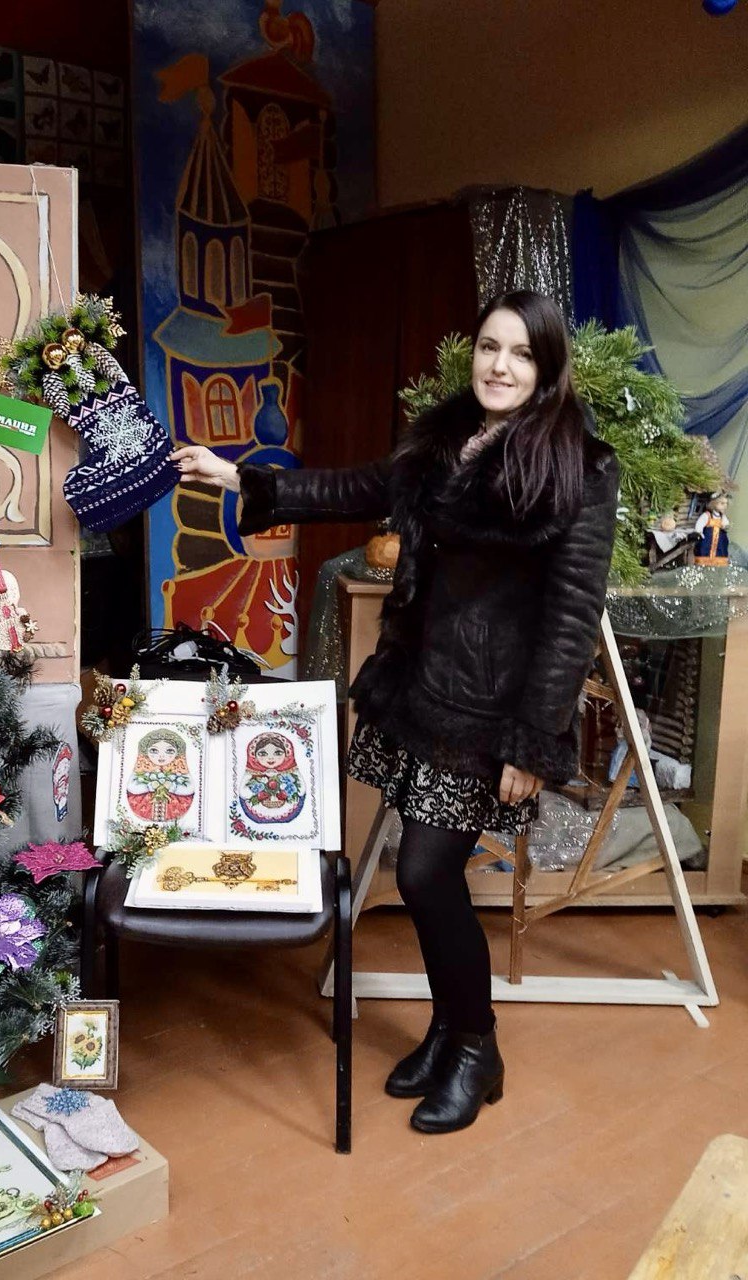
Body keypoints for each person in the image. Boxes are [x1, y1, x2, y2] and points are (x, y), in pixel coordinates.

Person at [170, 290, 620, 1135]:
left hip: (488, 711)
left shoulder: (580, 467)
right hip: (421, 688)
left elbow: (571, 617)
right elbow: (359, 485)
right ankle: (449, 1031)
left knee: (423, 874)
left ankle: (477, 1045)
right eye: (489, 347)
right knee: (424, 876)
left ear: (548, 366)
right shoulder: (448, 438)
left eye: (522, 353)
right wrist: (240, 477)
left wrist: (533, 739)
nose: (500, 366)